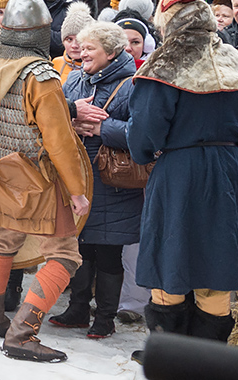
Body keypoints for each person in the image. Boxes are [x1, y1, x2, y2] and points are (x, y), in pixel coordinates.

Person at [0, 0, 92, 363]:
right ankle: (21, 334)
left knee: (2, 244)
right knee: (65, 255)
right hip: (43, 177)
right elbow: (60, 141)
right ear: (40, 33)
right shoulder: (42, 76)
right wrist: (76, 189)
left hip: (0, 171)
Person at [129, 0, 238, 347]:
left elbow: (143, 135)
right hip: (228, 169)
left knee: (171, 260)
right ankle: (207, 359)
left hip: (180, 172)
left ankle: (170, 353)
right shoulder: (236, 61)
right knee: (215, 264)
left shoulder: (162, 66)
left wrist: (147, 155)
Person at [51, 21, 144, 341]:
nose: (81, 51)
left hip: (113, 184)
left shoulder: (134, 85)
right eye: (81, 46)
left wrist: (102, 129)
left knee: (107, 252)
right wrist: (72, 123)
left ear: (112, 52)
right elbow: (55, 118)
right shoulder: (75, 79)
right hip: (77, 177)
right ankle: (77, 308)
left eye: (90, 48)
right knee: (79, 247)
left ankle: (105, 317)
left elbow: (142, 135)